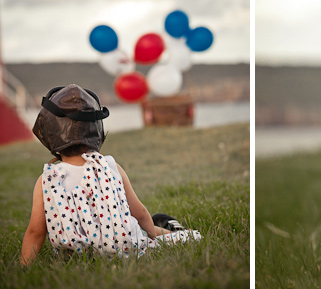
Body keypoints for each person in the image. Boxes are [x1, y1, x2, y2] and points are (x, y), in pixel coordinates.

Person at [20, 84, 201, 266]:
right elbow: (140, 214)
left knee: (151, 223)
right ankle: (176, 231)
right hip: (124, 248)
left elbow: (36, 232)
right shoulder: (109, 165)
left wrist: (25, 267)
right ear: (95, 129)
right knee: (155, 226)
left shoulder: (47, 180)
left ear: (49, 131)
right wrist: (152, 237)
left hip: (75, 259)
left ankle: (163, 227)